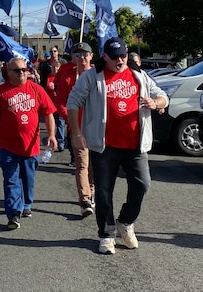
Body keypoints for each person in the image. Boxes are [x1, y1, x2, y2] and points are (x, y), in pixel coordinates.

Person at [67, 37, 169, 255]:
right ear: (104, 57)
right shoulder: (92, 77)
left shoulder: (139, 75)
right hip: (104, 146)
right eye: (114, 57)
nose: (120, 60)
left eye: (123, 55)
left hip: (135, 144)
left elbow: (162, 96)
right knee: (104, 191)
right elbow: (73, 103)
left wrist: (156, 103)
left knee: (143, 184)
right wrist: (76, 134)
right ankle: (106, 234)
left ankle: (126, 221)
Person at [0, 57, 57, 230]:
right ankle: (14, 213)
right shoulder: (0, 93)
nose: (22, 73)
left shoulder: (36, 89)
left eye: (24, 69)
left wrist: (52, 135)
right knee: (11, 180)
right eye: (17, 70)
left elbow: (48, 113)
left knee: (28, 179)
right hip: (8, 147)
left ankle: (27, 203)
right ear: (8, 73)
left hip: (31, 146)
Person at [53, 41, 95, 217]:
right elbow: (61, 101)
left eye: (85, 54)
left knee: (95, 166)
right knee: (82, 164)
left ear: (91, 56)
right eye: (78, 55)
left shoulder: (98, 75)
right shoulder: (69, 76)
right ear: (73, 58)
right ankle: (85, 200)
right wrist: (69, 119)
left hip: (98, 129)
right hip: (77, 129)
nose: (81, 58)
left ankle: (91, 192)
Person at [39, 48, 65, 152]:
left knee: (60, 124)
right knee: (51, 123)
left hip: (60, 105)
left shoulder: (63, 77)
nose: (55, 70)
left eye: (57, 68)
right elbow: (43, 88)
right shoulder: (48, 76)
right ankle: (52, 141)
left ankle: (61, 143)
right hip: (50, 105)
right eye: (54, 68)